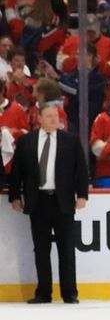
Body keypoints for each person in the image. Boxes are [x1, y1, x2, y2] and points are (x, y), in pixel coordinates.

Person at [8, 102, 88, 304]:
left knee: (66, 249)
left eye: (56, 115)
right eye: (50, 116)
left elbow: (81, 170)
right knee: (41, 249)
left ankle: (69, 292)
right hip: (38, 201)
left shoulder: (70, 141)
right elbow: (17, 171)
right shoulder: (26, 141)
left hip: (63, 201)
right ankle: (43, 292)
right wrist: (15, 196)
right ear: (40, 118)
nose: (54, 119)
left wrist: (82, 195)